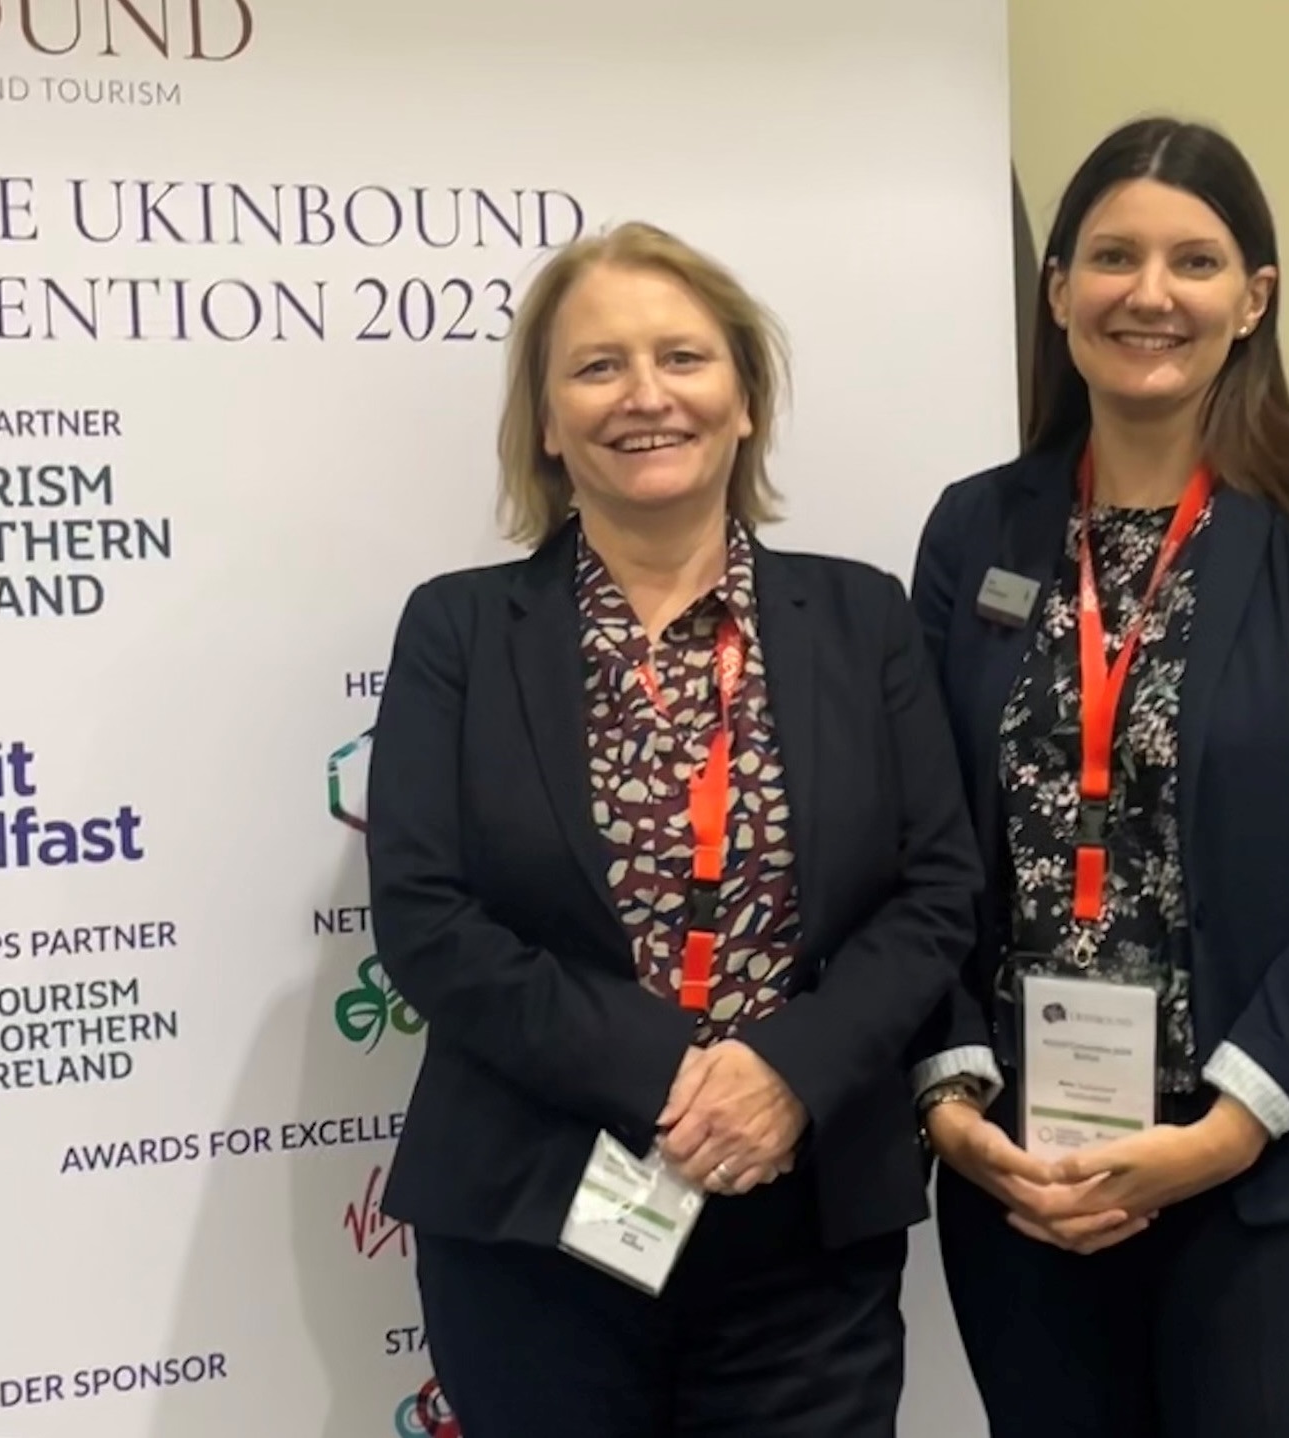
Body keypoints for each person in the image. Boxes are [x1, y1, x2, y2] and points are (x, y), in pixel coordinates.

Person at [365, 221, 981, 1438]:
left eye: (683, 358)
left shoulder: (861, 620)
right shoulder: (460, 633)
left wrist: (788, 1073)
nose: (645, 395)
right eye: (597, 367)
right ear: (546, 421)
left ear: (745, 397)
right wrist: (674, 1076)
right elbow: (428, 921)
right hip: (538, 1216)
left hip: (803, 1219)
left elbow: (936, 892)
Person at [908, 116, 1289, 1438]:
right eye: (1110, 256)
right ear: (1056, 291)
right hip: (1035, 1180)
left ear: (1254, 298)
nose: (1148, 293)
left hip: (1284, 1178)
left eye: (1195, 262)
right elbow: (920, 846)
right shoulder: (976, 525)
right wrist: (948, 1086)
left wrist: (1225, 1127)